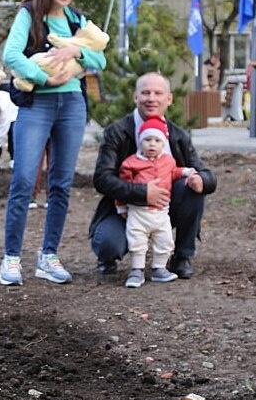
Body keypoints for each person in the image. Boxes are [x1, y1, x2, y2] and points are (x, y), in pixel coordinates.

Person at [0, 0, 107, 286]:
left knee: (61, 184)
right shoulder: (30, 14)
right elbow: (11, 54)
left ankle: (48, 256)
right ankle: (11, 259)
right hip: (38, 106)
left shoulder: (76, 20)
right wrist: (46, 77)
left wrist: (78, 51)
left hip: (72, 106)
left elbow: (101, 61)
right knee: (24, 180)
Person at [90, 72, 217, 280]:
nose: (151, 98)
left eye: (158, 93)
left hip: (164, 208)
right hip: (126, 208)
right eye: (145, 93)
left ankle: (182, 256)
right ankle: (107, 257)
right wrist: (142, 193)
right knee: (108, 244)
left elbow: (202, 171)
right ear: (135, 97)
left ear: (169, 99)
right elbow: (102, 179)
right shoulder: (117, 132)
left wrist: (204, 180)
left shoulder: (178, 136)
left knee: (192, 183)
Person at [116, 116, 196, 288]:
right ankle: (137, 270)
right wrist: (121, 206)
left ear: (163, 143)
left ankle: (159, 268)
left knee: (165, 240)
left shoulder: (168, 161)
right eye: (147, 140)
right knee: (137, 241)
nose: (152, 144)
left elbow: (173, 172)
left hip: (161, 212)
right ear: (140, 141)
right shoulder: (131, 163)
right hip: (138, 212)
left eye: (157, 140)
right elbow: (122, 186)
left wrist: (186, 172)